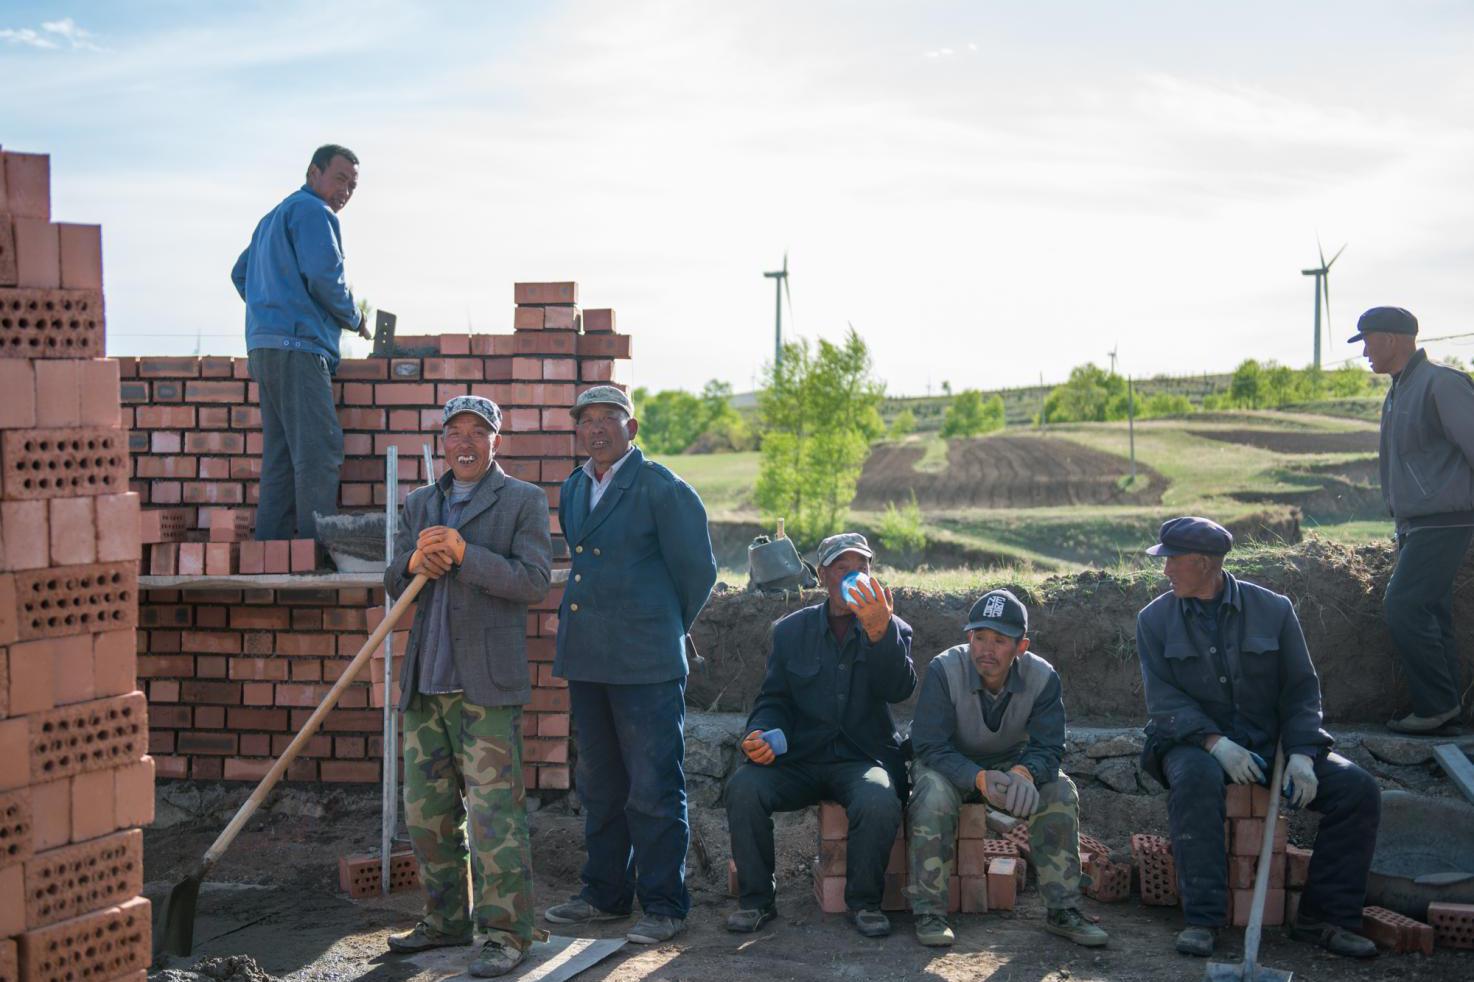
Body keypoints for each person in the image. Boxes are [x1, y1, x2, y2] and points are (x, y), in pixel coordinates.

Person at [1135, 516, 1379, 960]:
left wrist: (1304, 754)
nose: (1165, 570)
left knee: (1358, 790)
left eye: (1172, 561)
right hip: (1193, 743)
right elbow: (1164, 701)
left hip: (1269, 746)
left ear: (1204, 563)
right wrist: (1215, 743)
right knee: (1195, 780)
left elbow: (1301, 690)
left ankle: (1325, 919)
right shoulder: (1154, 620)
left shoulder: (1274, 610)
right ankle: (1203, 920)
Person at [382, 395, 553, 978]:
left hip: (485, 688)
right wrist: (411, 565)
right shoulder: (420, 503)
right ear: (442, 442)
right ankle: (445, 919)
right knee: (426, 814)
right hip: (425, 688)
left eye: (477, 433)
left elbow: (532, 581)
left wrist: (465, 555)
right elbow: (390, 579)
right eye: (454, 432)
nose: (464, 442)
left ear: (495, 442)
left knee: (493, 817)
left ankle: (508, 933)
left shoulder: (524, 501)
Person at [543, 385, 718, 945]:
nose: (596, 429)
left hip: (646, 664)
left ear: (632, 428)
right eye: (586, 420)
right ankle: (605, 894)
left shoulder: (662, 488)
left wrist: (662, 624)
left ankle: (665, 905)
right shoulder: (574, 488)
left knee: (654, 787)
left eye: (608, 419)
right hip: (589, 660)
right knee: (600, 785)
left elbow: (697, 573)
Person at [725, 532, 916, 939]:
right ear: (823, 575)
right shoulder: (791, 631)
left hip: (861, 759)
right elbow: (773, 698)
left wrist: (881, 635)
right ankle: (757, 901)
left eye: (862, 569)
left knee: (880, 798)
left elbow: (899, 689)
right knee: (744, 788)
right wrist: (759, 731)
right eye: (842, 569)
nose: (854, 577)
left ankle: (864, 903)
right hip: (801, 759)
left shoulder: (892, 628)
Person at [907, 589, 1109, 949]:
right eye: (979, 637)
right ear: (968, 637)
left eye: (999, 640)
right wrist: (977, 777)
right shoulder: (944, 669)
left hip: (1008, 764)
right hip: (950, 763)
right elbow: (928, 745)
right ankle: (929, 911)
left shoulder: (1042, 677)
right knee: (932, 794)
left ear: (1021, 646)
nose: (986, 648)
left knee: (1059, 791)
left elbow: (1050, 746)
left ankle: (1063, 910)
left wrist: (1025, 773)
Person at [231, 144, 372, 541]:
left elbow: (240, 274)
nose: (345, 191)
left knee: (280, 459)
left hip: (266, 348)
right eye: (340, 178)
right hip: (298, 351)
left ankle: (271, 555)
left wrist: (273, 307)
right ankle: (317, 556)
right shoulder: (314, 211)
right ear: (314, 173)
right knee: (318, 453)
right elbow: (326, 278)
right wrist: (356, 319)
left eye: (353, 186)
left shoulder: (273, 218)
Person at [1352, 306, 1474, 733]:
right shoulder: (1400, 388)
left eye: (1366, 340)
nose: (1363, 351)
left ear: (1391, 339)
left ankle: (1436, 706)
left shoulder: (1441, 383)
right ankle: (1448, 710)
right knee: (1431, 613)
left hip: (1446, 519)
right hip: (1417, 523)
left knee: (1403, 605)